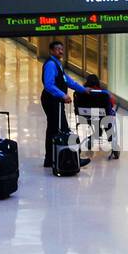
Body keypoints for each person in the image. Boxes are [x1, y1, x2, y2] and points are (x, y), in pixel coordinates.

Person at [41, 39, 90, 170]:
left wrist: (82, 89)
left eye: (62, 49)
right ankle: (75, 158)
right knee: (62, 128)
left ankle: (50, 158)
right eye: (58, 49)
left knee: (53, 128)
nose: (61, 51)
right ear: (51, 51)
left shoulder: (58, 64)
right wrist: (62, 95)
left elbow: (68, 81)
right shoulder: (51, 65)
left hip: (55, 100)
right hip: (52, 100)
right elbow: (49, 85)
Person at [77, 73, 119, 159]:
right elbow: (112, 103)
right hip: (104, 117)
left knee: (97, 120)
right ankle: (111, 139)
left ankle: (95, 136)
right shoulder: (104, 94)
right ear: (98, 83)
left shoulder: (81, 92)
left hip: (87, 117)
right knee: (107, 118)